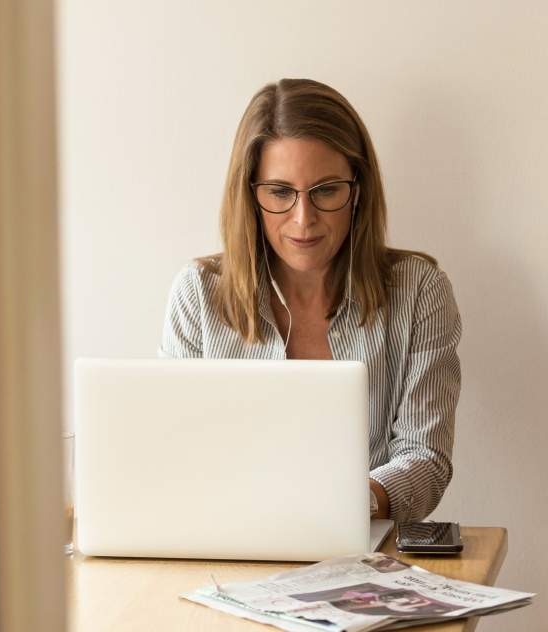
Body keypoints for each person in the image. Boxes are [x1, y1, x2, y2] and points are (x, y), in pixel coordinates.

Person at [159, 78, 461, 522]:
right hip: (226, 547)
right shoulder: (198, 294)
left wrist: (343, 505)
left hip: (366, 554)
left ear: (356, 190)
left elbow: (426, 459)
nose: (304, 220)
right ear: (251, 195)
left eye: (325, 191)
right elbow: (175, 455)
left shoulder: (418, 291)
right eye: (280, 192)